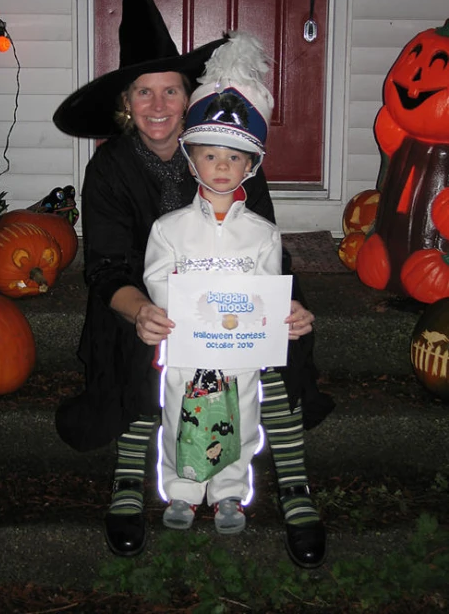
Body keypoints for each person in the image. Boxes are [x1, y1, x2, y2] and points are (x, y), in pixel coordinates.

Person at [52, 0, 334, 566]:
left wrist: (284, 308)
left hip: (234, 305)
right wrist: (145, 311)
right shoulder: (108, 171)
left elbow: (269, 250)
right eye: (143, 93)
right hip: (140, 300)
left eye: (171, 90)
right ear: (126, 106)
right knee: (137, 342)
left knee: (276, 340)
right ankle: (130, 481)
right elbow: (105, 269)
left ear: (189, 95)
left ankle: (294, 485)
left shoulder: (223, 156)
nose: (159, 105)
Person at [143, 32, 286, 536]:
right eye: (210, 156)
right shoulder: (169, 229)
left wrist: (280, 319)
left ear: (251, 166)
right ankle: (182, 489)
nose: (221, 166)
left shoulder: (264, 235)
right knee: (179, 416)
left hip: (239, 352)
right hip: (187, 348)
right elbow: (158, 278)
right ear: (192, 160)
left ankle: (228, 491)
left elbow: (269, 293)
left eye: (234, 158)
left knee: (241, 418)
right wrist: (179, 307)